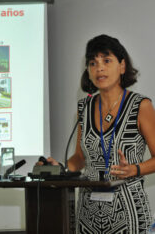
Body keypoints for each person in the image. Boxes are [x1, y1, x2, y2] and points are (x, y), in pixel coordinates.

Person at [43, 34, 155, 233]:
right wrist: (60, 169)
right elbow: (79, 158)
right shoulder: (83, 108)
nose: (99, 68)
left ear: (122, 66)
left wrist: (134, 169)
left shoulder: (141, 106)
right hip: (88, 215)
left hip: (128, 213)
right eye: (92, 62)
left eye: (106, 60)